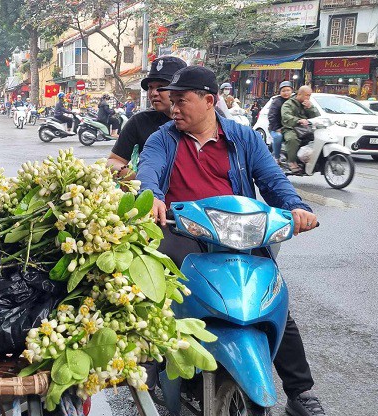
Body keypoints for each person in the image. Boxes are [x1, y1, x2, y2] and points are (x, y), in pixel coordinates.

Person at [137, 65, 326, 416]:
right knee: (156, 291)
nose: (173, 108)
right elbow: (149, 170)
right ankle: (147, 364)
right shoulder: (163, 138)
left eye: (182, 101)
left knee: (273, 301)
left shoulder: (244, 138)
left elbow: (272, 179)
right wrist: (152, 197)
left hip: (239, 235)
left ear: (209, 101)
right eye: (171, 101)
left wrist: (297, 207)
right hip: (184, 232)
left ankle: (300, 393)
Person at [107, 56, 188, 180]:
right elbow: (113, 161)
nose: (154, 93)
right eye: (150, 87)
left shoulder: (201, 120)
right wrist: (133, 179)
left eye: (161, 86)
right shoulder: (139, 121)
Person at [281, 85, 319, 173]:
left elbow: (316, 117)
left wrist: (311, 108)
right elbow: (286, 116)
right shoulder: (288, 104)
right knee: (292, 139)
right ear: (299, 94)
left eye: (309, 95)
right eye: (306, 95)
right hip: (290, 128)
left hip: (305, 129)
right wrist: (298, 120)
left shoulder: (307, 104)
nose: (308, 97)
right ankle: (291, 161)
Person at [268, 81, 294, 160]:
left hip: (289, 128)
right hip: (276, 128)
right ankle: (276, 157)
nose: (286, 93)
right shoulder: (276, 101)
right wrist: (277, 128)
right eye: (283, 91)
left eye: (288, 90)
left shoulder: (294, 101)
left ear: (292, 90)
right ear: (280, 92)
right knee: (278, 137)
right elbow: (271, 116)